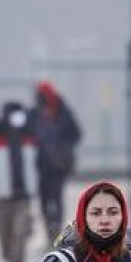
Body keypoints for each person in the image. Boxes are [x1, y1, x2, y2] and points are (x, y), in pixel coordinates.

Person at [28, 81, 82, 244]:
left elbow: (76, 133)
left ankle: (56, 232)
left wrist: (63, 147)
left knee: (56, 198)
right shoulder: (33, 114)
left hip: (58, 165)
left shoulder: (63, 112)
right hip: (42, 164)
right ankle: (49, 232)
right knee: (44, 199)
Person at [0, 100, 37, 262]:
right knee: (4, 232)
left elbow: (38, 161)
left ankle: (18, 259)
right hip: (2, 193)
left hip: (24, 193)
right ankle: (9, 256)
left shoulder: (29, 136)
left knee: (21, 229)